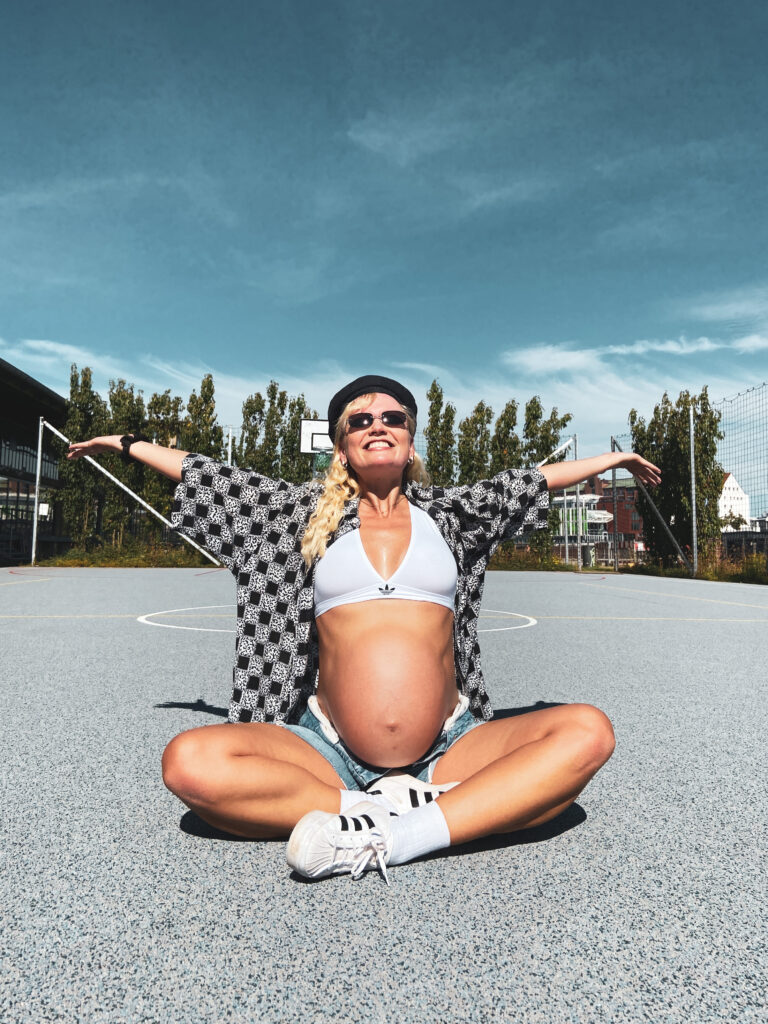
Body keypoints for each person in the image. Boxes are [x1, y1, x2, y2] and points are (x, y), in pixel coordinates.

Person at [68, 374, 660, 883]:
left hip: (448, 747)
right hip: (327, 753)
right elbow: (206, 475)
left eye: (392, 418)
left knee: (588, 732)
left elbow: (534, 481)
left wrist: (613, 461)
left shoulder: (452, 515)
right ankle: (372, 807)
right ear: (342, 446)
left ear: (410, 439)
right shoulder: (297, 516)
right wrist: (124, 444)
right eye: (360, 420)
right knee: (189, 762)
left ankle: (394, 837)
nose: (378, 425)